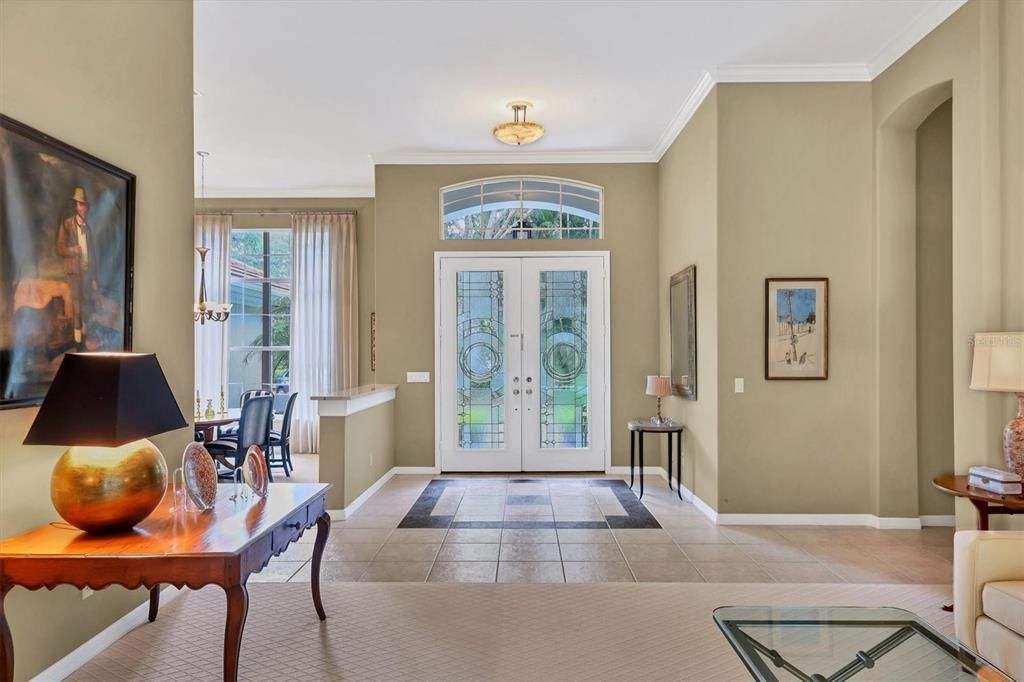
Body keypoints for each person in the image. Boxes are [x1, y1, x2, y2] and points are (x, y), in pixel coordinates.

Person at [55, 187, 96, 344]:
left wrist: (94, 277)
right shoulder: (67, 225)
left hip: (86, 271)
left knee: (86, 300)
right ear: (76, 206)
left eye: (85, 205)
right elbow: (60, 249)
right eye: (80, 204)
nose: (83, 208)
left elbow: (93, 255)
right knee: (77, 301)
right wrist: (73, 250)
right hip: (73, 272)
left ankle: (83, 334)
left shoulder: (88, 228)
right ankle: (77, 337)